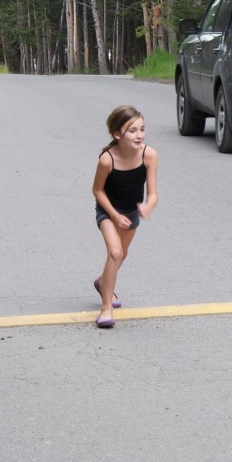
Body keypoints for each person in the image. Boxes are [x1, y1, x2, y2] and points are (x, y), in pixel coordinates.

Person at [92, 106, 159, 327]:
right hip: (109, 211)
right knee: (115, 252)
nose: (139, 135)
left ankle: (103, 283)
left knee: (122, 254)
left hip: (131, 213)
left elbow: (153, 193)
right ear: (117, 134)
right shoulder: (107, 159)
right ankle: (106, 307)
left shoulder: (149, 155)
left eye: (142, 129)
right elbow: (98, 190)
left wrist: (147, 206)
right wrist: (113, 215)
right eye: (132, 131)